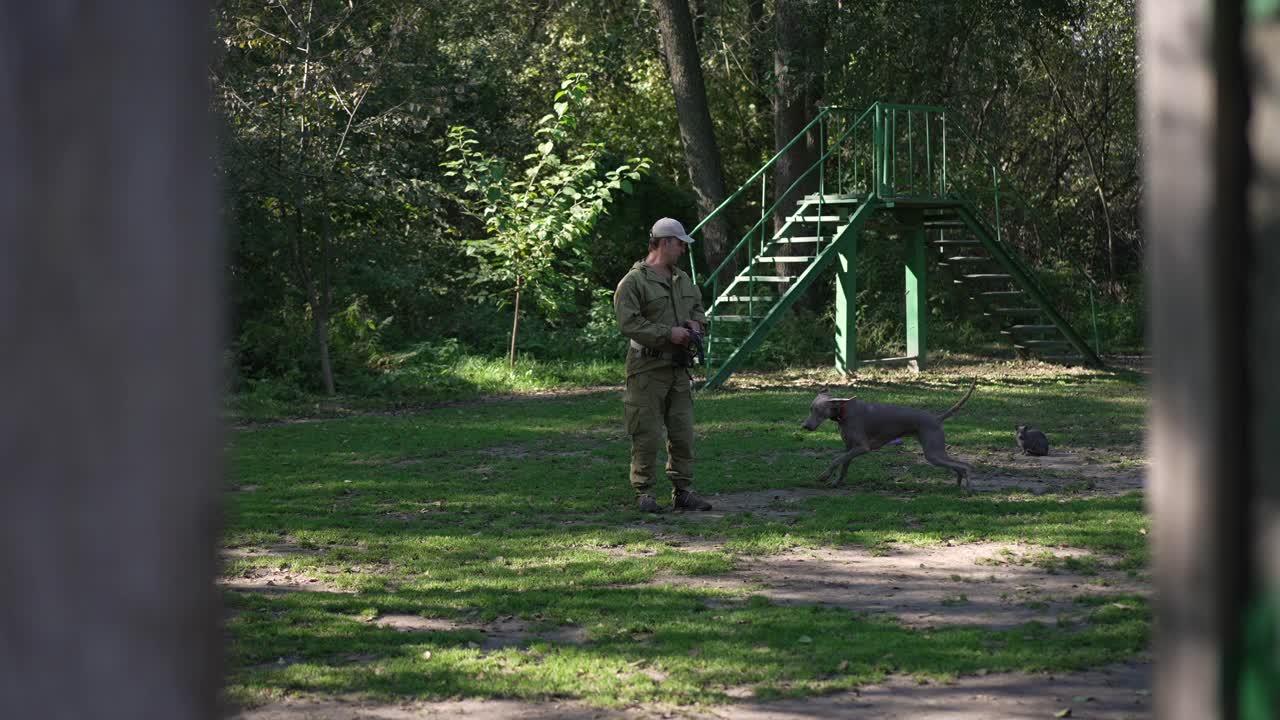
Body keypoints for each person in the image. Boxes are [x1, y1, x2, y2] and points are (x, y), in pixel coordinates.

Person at [613, 217, 714, 513]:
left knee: (682, 432)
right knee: (646, 432)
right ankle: (644, 493)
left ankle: (683, 490)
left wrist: (697, 324)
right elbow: (628, 323)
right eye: (680, 243)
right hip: (647, 369)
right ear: (665, 242)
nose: (683, 249)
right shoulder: (634, 282)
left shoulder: (682, 279)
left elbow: (698, 310)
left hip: (679, 368)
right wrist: (667, 333)